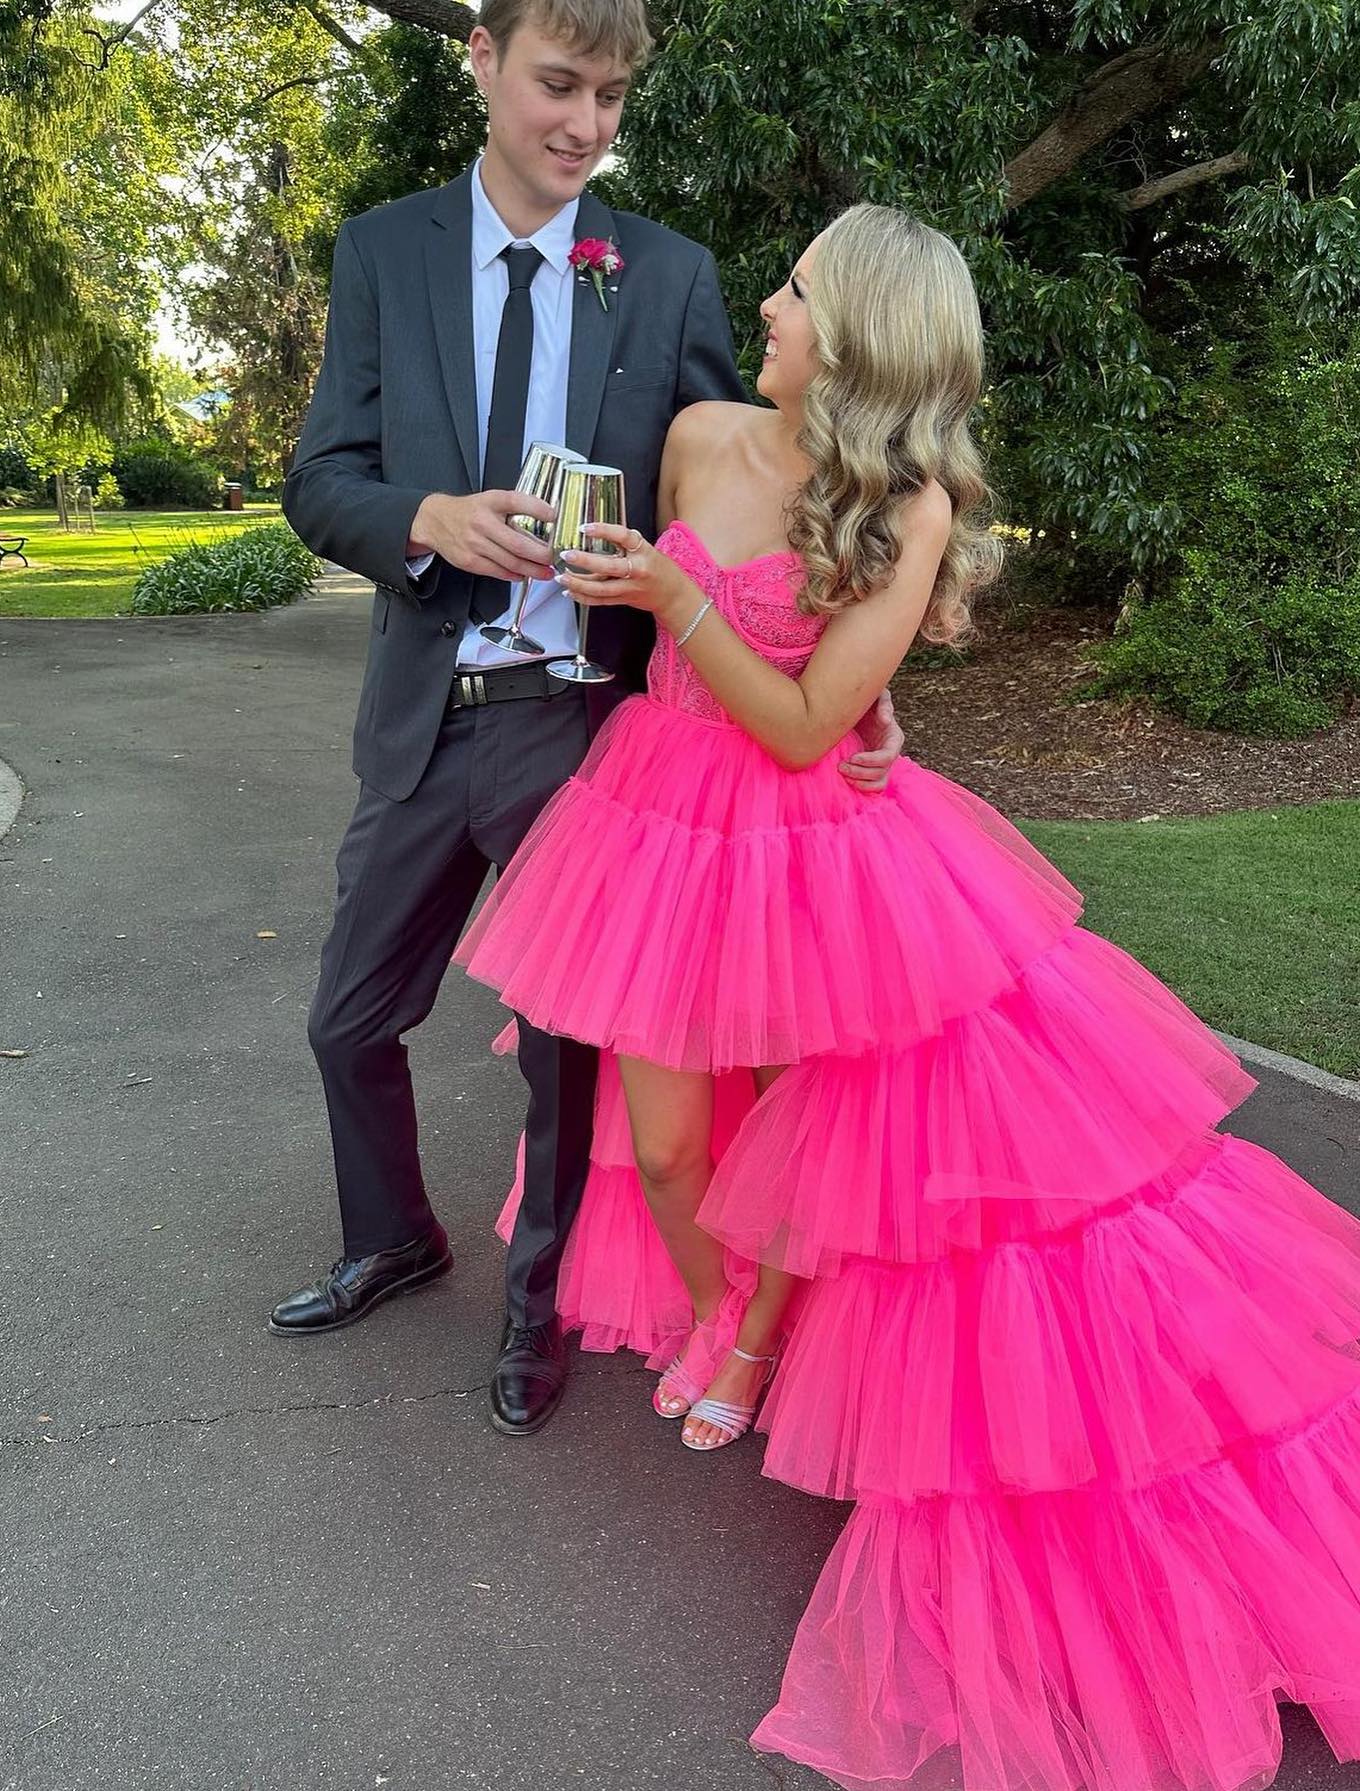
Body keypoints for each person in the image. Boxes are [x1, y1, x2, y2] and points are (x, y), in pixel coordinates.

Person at [456, 203, 1360, 1788]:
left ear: (860, 336)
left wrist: (684, 613)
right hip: (654, 823)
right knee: (667, 1145)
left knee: (838, 1149)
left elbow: (813, 724)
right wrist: (608, 575)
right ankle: (732, 1318)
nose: (771, 307)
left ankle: (757, 1354)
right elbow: (655, 622)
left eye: (797, 291)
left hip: (818, 851)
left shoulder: (909, 502)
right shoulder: (696, 435)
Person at [274, 0, 903, 1438]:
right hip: (427, 708)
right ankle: (392, 1234)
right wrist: (419, 516)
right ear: (481, 61)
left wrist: (866, 685)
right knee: (348, 1015)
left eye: (612, 97)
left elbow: (769, 501)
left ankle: (535, 1312)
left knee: (568, 1057)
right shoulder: (383, 251)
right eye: (561, 84)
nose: (586, 123)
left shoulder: (666, 274)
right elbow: (320, 477)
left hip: (586, 726)